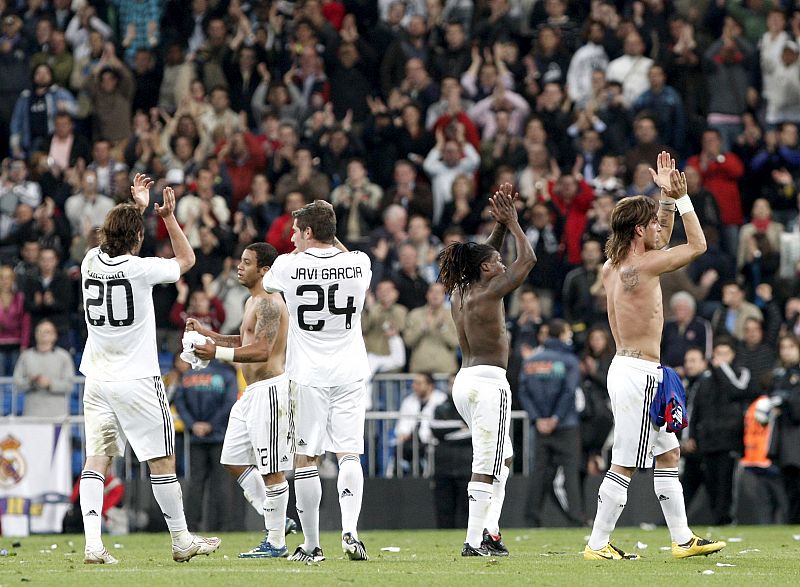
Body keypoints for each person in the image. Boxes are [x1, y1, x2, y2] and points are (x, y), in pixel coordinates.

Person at [584, 152, 725, 561]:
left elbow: (658, 238)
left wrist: (661, 196)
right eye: (650, 224)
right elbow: (697, 244)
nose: (656, 229)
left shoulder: (615, 266)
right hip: (636, 372)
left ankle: (682, 539)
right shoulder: (641, 267)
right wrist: (682, 200)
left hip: (639, 368)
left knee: (668, 452)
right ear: (637, 231)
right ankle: (597, 543)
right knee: (625, 460)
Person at [78, 174, 220, 564]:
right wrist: (168, 217)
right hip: (137, 378)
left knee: (97, 459)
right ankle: (181, 539)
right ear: (137, 238)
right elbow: (187, 261)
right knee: (161, 461)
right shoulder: (141, 270)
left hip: (96, 378)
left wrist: (136, 210)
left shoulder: (91, 261)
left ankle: (93, 544)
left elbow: (117, 236)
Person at [261, 200, 372, 562]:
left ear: (309, 232)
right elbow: (338, 251)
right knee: (349, 452)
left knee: (306, 457)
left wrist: (307, 246)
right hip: (350, 370)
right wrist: (328, 233)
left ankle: (311, 545)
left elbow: (267, 283)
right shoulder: (359, 263)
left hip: (307, 375)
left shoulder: (287, 266)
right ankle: (351, 532)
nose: (291, 237)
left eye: (296, 231)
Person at [438, 182, 536, 556]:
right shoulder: (489, 291)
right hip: (488, 384)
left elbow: (485, 254)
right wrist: (512, 223)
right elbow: (527, 261)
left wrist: (497, 223)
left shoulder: (461, 291)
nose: (501, 263)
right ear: (485, 269)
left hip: (465, 381)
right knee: (486, 462)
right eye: (495, 261)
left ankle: (490, 531)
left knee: (502, 458)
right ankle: (472, 539)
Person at [188, 243, 294, 558]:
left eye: (246, 262)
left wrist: (216, 353)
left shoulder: (271, 303)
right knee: (232, 458)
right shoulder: (253, 301)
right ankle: (276, 518)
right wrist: (211, 336)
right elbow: (245, 340)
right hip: (252, 392)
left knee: (272, 468)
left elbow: (261, 349)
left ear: (264, 270)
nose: (239, 266)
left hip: (271, 390)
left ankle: (275, 542)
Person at [519, 319, 584, 528]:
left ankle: (531, 518)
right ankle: (576, 518)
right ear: (562, 334)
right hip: (565, 424)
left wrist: (537, 418)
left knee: (539, 473)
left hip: (540, 427)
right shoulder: (568, 360)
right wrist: (555, 417)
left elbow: (523, 392)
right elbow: (569, 391)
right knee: (570, 473)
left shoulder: (531, 361)